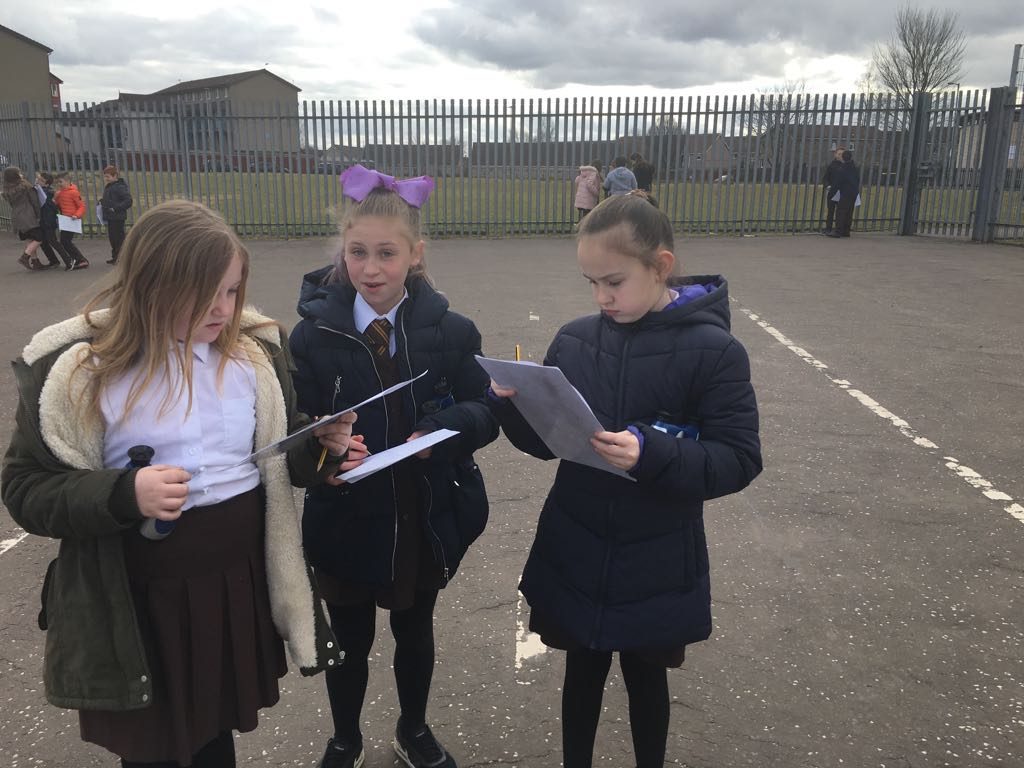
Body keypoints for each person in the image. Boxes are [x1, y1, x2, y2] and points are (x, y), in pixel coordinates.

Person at [1, 199, 358, 768]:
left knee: (214, 733)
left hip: (233, 583)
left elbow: (277, 455)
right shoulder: (82, 371)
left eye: (232, 291)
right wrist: (124, 493)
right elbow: (25, 489)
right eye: (204, 295)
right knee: (155, 747)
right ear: (150, 286)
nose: (224, 309)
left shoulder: (252, 357)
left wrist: (319, 447)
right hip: (140, 599)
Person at [487, 194, 762, 768]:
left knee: (645, 675)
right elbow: (546, 443)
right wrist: (514, 405)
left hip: (656, 552)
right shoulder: (575, 339)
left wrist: (651, 453)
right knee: (581, 668)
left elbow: (738, 458)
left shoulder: (714, 352)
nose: (601, 297)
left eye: (614, 282)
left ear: (660, 267)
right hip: (577, 538)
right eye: (591, 283)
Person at [289, 164, 499, 768]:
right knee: (349, 640)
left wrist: (443, 430)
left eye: (387, 253)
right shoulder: (312, 337)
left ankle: (413, 728)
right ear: (343, 252)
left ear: (415, 254)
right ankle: (345, 738)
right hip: (346, 515)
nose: (371, 268)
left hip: (421, 512)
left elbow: (485, 410)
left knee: (415, 630)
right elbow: (293, 423)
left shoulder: (451, 332)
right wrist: (323, 450)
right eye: (358, 252)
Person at [2, 166, 45, 270]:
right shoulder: (25, 186)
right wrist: (38, 215)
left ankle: (35, 261)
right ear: (16, 175)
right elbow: (34, 201)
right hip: (28, 214)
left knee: (30, 238)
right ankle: (25, 257)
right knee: (40, 237)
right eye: (19, 173)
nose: (21, 174)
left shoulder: (7, 190)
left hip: (16, 215)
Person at [34, 171, 75, 269]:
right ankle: (53, 261)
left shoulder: (47, 192)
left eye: (41, 180)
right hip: (44, 220)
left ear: (47, 184)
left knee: (53, 241)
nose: (38, 181)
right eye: (38, 179)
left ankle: (68, 260)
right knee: (43, 241)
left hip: (48, 221)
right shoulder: (43, 190)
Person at [52, 172, 90, 269]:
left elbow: (81, 206)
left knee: (65, 241)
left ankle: (81, 260)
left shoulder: (74, 192)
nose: (59, 184)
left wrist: (76, 215)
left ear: (67, 181)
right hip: (65, 220)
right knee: (65, 241)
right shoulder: (60, 193)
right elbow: (57, 204)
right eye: (57, 182)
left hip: (72, 220)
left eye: (60, 182)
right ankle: (78, 259)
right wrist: (55, 199)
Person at [100, 164, 133, 265]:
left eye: (108, 176)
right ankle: (115, 257)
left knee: (118, 239)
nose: (106, 179)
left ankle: (121, 258)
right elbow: (110, 199)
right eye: (105, 176)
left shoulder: (119, 187)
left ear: (115, 176)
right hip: (110, 216)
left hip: (118, 217)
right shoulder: (109, 186)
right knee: (113, 238)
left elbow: (128, 201)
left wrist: (115, 208)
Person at [826, 149, 860, 238]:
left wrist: (832, 192)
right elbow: (858, 179)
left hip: (845, 193)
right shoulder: (854, 167)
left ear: (843, 158)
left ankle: (838, 231)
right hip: (854, 192)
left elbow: (837, 183)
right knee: (849, 212)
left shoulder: (842, 169)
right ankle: (846, 230)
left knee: (841, 211)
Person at [821, 146, 845, 235]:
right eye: (839, 154)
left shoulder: (846, 166)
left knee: (841, 212)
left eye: (842, 154)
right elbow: (825, 178)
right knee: (830, 211)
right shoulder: (831, 166)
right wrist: (827, 186)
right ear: (835, 155)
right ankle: (828, 228)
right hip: (832, 192)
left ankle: (839, 229)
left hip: (842, 192)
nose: (840, 156)